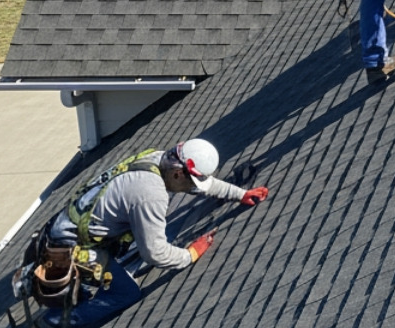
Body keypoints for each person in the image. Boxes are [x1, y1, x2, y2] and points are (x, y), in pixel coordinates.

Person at [30, 139, 268, 327]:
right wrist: (190, 255)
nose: (192, 190)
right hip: (67, 251)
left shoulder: (158, 158)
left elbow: (200, 183)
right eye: (191, 184)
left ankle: (76, 293)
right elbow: (155, 253)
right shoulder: (150, 194)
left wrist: (239, 194)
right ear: (178, 174)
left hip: (64, 231)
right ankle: (53, 322)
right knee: (126, 293)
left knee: (134, 245)